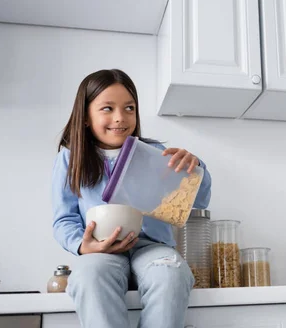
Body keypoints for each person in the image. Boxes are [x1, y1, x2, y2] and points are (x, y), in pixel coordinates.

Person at [52, 69, 212, 328]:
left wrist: (195, 169)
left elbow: (198, 201)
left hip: (152, 247)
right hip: (101, 250)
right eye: (107, 108)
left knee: (171, 273)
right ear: (84, 117)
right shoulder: (70, 160)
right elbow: (64, 219)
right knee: (88, 277)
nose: (120, 117)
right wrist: (84, 247)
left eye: (129, 108)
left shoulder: (156, 154)